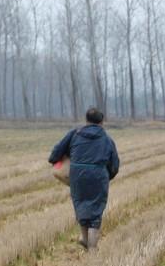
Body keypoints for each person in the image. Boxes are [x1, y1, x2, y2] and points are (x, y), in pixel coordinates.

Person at [49, 107, 120, 251]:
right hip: (98, 176)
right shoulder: (107, 139)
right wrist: (107, 176)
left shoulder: (74, 134)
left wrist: (56, 161)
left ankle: (84, 238)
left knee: (80, 205)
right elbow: (114, 165)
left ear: (86, 120)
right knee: (95, 213)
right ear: (101, 122)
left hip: (77, 175)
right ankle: (92, 248)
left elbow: (55, 153)